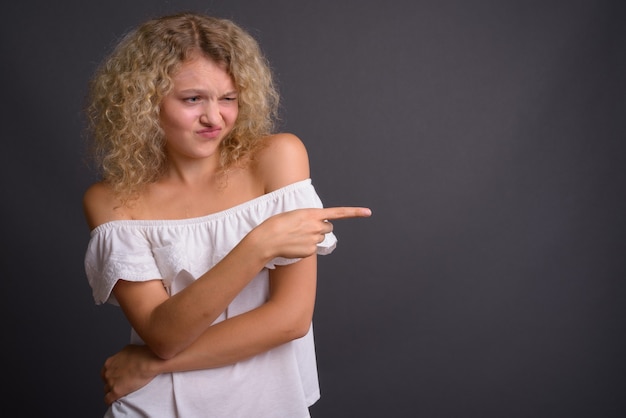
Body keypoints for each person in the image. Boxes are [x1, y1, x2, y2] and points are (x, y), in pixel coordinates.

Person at [82, 11, 371, 418]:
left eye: (228, 98)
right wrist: (258, 245)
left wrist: (147, 363)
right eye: (192, 99)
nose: (214, 118)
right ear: (145, 102)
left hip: (265, 402)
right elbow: (164, 334)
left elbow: (290, 320)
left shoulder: (277, 158)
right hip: (155, 406)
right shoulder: (112, 199)